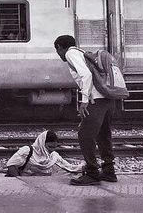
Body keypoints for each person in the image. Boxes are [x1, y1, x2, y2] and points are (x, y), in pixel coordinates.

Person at [54, 35, 118, 185]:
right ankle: (109, 171)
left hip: (95, 100)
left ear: (59, 47)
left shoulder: (70, 53)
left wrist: (83, 101)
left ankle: (92, 173)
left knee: (84, 136)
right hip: (108, 99)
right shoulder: (82, 53)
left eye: (57, 51)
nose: (59, 55)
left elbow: (86, 75)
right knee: (103, 135)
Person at [5, 130, 83, 176]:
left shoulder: (54, 156)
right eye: (49, 147)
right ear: (42, 143)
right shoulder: (27, 151)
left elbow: (69, 167)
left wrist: (85, 166)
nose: (52, 150)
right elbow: (11, 165)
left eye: (54, 147)